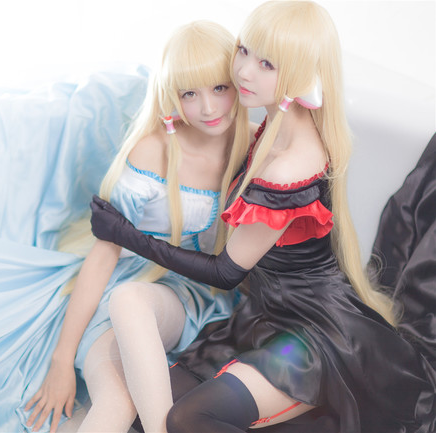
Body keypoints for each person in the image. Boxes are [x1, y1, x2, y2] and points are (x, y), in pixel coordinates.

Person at [89, 2, 436, 432]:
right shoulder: (275, 126)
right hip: (265, 316)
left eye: (267, 64)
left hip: (313, 336)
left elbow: (224, 271)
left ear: (299, 73)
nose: (244, 72)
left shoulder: (288, 164)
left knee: (187, 418)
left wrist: (125, 234)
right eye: (244, 51)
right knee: (150, 412)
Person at [25, 20, 253, 433]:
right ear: (172, 95)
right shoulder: (153, 151)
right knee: (117, 398)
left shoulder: (253, 143)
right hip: (125, 287)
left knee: (133, 323)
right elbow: (104, 255)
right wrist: (62, 360)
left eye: (220, 87)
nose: (208, 108)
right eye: (190, 93)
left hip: (195, 297)